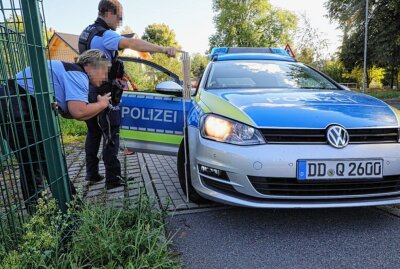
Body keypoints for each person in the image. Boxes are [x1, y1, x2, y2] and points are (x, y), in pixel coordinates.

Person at [79, 0, 177, 190]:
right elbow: (132, 42)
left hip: (87, 90)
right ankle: (113, 179)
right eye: (119, 17)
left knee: (93, 133)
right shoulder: (105, 34)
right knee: (111, 133)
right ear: (108, 13)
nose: (120, 22)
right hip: (104, 91)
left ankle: (91, 173)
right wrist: (163, 49)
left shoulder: (87, 32)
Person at [0, 49, 111, 210]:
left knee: (32, 163)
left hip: (12, 103)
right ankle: (69, 211)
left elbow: (69, 113)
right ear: (91, 66)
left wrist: (94, 106)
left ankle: (42, 212)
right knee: (48, 160)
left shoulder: (69, 70)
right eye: (104, 70)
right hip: (18, 107)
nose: (105, 77)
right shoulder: (78, 74)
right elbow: (79, 112)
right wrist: (102, 104)